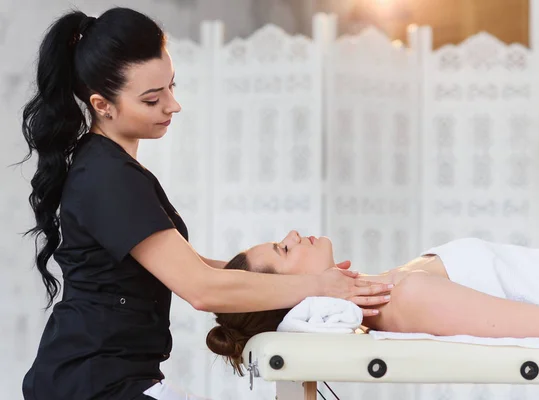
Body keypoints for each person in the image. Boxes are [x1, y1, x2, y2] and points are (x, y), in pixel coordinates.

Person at [19, 8, 392, 400]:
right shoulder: (106, 177)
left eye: (171, 87)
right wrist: (317, 285)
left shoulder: (109, 168)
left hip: (103, 377)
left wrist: (312, 283)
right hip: (89, 384)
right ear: (102, 105)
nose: (172, 106)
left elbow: (190, 265)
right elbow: (200, 289)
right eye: (152, 99)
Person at [206, 231, 539, 375]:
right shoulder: (407, 297)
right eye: (283, 250)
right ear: (294, 291)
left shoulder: (389, 287)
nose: (292, 234)